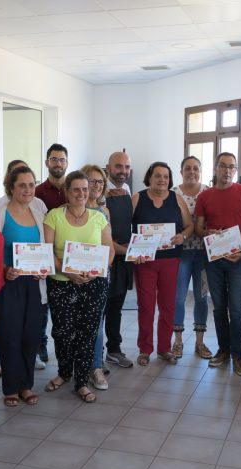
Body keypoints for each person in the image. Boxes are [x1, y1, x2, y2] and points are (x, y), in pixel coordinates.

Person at [43, 171, 114, 403]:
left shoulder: (99, 218)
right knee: (62, 332)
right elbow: (48, 251)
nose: (82, 193)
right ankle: (64, 372)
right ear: (67, 191)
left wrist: (94, 271)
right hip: (62, 283)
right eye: (76, 189)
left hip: (94, 285)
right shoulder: (53, 216)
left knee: (87, 333)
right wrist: (68, 273)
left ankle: (81, 381)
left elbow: (109, 251)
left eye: (85, 189)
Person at [194, 152, 241, 376]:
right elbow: (198, 229)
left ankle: (239, 356)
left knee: (237, 309)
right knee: (219, 308)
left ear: (236, 170)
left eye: (231, 167)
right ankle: (223, 350)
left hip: (237, 261)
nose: (227, 170)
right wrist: (207, 232)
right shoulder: (205, 196)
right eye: (223, 166)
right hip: (213, 260)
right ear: (215, 168)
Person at [0, 166, 46, 405]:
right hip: (7, 282)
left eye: (31, 184)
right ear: (10, 187)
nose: (27, 189)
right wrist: (4, 269)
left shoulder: (39, 209)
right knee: (9, 334)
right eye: (22, 184)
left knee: (31, 335)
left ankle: (26, 385)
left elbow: (46, 245)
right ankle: (11, 387)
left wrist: (45, 269)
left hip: (33, 282)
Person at [131, 162, 193, 366]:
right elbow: (125, 228)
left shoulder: (177, 199)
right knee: (146, 306)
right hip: (145, 261)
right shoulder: (137, 198)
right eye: (157, 175)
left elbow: (189, 226)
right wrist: (134, 248)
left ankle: (164, 348)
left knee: (168, 306)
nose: (162, 180)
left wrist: (182, 236)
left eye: (166, 176)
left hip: (170, 260)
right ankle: (145, 349)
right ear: (149, 177)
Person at [172, 156, 212, 359]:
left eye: (196, 168)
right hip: (181, 253)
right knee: (178, 297)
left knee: (201, 297)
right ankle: (177, 341)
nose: (192, 172)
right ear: (181, 171)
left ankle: (200, 342)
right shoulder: (174, 194)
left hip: (204, 253)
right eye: (188, 168)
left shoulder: (209, 192)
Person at [35, 144, 69, 364]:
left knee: (64, 311)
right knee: (43, 304)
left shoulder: (74, 187)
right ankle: (41, 345)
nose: (58, 163)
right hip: (45, 255)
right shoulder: (37, 192)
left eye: (62, 159)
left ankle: (66, 350)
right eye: (54, 159)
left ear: (67, 163)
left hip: (72, 257)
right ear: (47, 162)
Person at [104, 151, 135, 369]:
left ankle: (113, 350)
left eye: (126, 167)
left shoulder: (126, 190)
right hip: (106, 257)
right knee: (99, 309)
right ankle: (93, 355)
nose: (123, 171)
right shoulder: (99, 191)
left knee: (116, 307)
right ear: (108, 167)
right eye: (118, 166)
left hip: (124, 259)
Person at [84, 164, 112, 389]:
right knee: (76, 324)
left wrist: (101, 267)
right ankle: (77, 367)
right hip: (73, 276)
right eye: (91, 181)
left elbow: (108, 247)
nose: (96, 185)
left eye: (100, 182)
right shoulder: (68, 209)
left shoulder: (104, 211)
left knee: (97, 324)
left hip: (99, 276)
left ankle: (96, 366)